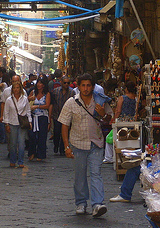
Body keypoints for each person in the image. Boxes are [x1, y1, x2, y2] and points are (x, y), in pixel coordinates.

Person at [58, 73, 112, 217]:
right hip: (78, 143)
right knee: (80, 176)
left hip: (96, 142)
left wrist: (103, 114)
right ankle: (81, 203)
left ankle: (97, 204)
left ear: (93, 87)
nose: (86, 88)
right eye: (83, 85)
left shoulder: (100, 101)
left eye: (88, 85)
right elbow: (64, 124)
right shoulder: (71, 102)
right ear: (78, 86)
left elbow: (109, 120)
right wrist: (66, 147)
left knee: (96, 173)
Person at [109, 81, 141, 202]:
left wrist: (115, 119)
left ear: (126, 89)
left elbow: (118, 110)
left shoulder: (122, 98)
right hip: (133, 124)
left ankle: (121, 162)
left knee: (121, 143)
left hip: (122, 123)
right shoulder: (136, 99)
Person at [4, 80, 31, 168]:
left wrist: (30, 121)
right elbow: (6, 112)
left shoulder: (25, 99)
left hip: (22, 124)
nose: (16, 90)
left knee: (21, 143)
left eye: (17, 88)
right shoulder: (9, 100)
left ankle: (21, 161)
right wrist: (6, 124)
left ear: (20, 89)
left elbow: (28, 111)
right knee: (13, 143)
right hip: (12, 123)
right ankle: (12, 160)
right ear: (12, 89)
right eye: (14, 88)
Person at [28, 75, 51, 161]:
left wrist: (37, 106)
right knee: (32, 136)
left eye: (41, 83)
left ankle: (40, 154)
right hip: (34, 117)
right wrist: (29, 98)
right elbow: (26, 102)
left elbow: (47, 105)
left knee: (42, 136)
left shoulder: (47, 94)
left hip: (42, 117)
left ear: (44, 85)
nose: (39, 84)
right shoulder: (33, 92)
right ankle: (32, 152)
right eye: (38, 82)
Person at [51, 76, 74, 155]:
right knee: (57, 132)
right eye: (65, 83)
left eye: (68, 83)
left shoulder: (71, 92)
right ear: (61, 82)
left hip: (67, 116)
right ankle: (56, 145)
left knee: (65, 132)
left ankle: (62, 148)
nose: (66, 84)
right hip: (57, 114)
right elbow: (52, 102)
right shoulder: (56, 91)